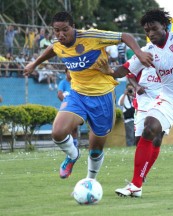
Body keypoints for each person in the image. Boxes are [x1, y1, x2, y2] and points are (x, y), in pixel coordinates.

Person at [23, 11, 153, 181]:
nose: (61, 35)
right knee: (58, 132)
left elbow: (125, 36)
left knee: (96, 149)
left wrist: (139, 53)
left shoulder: (92, 36)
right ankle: (72, 155)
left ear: (73, 27)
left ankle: (90, 181)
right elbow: (52, 48)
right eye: (56, 30)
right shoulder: (59, 43)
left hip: (102, 97)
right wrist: (34, 63)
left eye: (65, 30)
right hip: (77, 94)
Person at [105, 9, 173, 197]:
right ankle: (136, 185)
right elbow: (125, 70)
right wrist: (107, 71)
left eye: (154, 28)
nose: (151, 34)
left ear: (164, 26)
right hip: (167, 99)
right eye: (147, 31)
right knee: (150, 127)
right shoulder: (147, 52)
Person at [127, 67, 166, 181]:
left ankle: (142, 175)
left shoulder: (169, 59)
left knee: (157, 139)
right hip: (143, 105)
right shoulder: (143, 58)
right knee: (139, 141)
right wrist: (137, 86)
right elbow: (129, 74)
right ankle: (140, 172)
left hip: (163, 104)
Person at [57, 68, 79, 147]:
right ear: (66, 73)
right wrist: (67, 104)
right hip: (67, 108)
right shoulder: (63, 83)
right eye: (69, 72)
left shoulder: (76, 83)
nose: (71, 74)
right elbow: (59, 94)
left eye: (72, 72)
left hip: (76, 107)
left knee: (75, 127)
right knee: (68, 127)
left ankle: (75, 145)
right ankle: (69, 146)